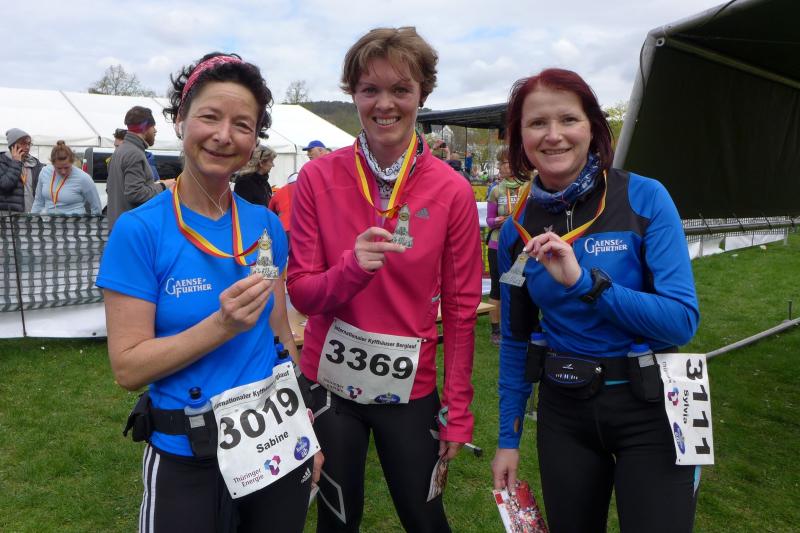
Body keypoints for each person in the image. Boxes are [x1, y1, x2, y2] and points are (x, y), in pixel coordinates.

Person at [97, 52, 321, 533]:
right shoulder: (140, 232)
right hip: (188, 452)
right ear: (180, 120)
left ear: (254, 140)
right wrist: (221, 326)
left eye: (243, 125)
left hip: (276, 443)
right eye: (210, 116)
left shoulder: (265, 227)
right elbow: (128, 368)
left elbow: (280, 333)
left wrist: (304, 427)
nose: (224, 135)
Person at [288, 26, 482, 532]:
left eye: (401, 89)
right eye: (369, 89)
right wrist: (351, 269)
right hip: (330, 385)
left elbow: (461, 311)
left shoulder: (453, 190)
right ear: (353, 94)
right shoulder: (316, 178)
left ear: (422, 95)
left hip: (409, 388)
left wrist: (458, 407)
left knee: (425, 518)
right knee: (336, 521)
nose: (384, 104)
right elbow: (302, 292)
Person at [491, 68, 701, 533]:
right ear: (520, 136)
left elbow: (682, 321)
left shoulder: (645, 197)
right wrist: (508, 439)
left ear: (593, 127)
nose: (553, 135)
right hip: (565, 412)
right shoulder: (515, 229)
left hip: (652, 408)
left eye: (568, 119)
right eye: (537, 123)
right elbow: (515, 341)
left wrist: (586, 283)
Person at [106, 106, 175, 230]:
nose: (155, 131)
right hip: (131, 230)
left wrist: (153, 185)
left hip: (119, 227)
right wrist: (164, 186)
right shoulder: (134, 154)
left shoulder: (120, 151)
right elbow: (135, 194)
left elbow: (115, 189)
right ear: (145, 128)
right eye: (153, 126)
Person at [484, 147, 524, 346]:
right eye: (499, 163)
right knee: (497, 287)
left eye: (504, 162)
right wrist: (498, 221)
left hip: (520, 244)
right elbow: (489, 220)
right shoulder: (496, 190)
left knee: (520, 286)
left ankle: (519, 326)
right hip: (497, 244)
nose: (500, 167)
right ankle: (496, 331)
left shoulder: (528, 188)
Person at [32, 141, 102, 215]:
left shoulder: (84, 178)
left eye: (66, 167)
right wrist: (33, 220)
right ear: (52, 163)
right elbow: (38, 202)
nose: (63, 172)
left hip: (75, 221)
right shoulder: (44, 172)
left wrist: (93, 222)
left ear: (72, 162)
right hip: (49, 221)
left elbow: (96, 207)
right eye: (59, 168)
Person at [1, 128, 44, 213]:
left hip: (31, 216)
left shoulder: (35, 164)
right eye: (23, 143)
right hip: (10, 217)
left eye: (29, 144)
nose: (27, 147)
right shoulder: (2, 161)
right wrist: (16, 162)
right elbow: (5, 185)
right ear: (13, 145)